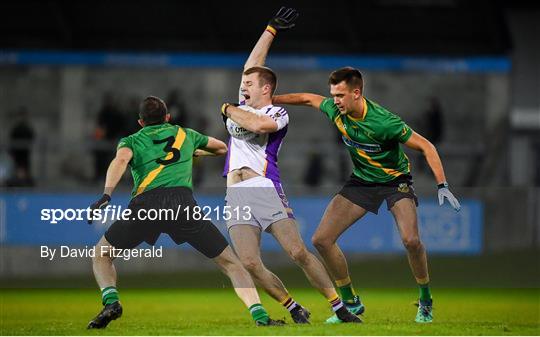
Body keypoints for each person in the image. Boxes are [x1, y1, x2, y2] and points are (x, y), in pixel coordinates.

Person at [273, 67, 461, 324]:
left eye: (340, 95)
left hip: (396, 181)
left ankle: (425, 300)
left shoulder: (385, 122)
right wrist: (270, 100)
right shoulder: (335, 111)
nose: (335, 100)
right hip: (361, 181)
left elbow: (426, 146)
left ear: (357, 93)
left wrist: (442, 185)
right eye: (333, 95)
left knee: (411, 240)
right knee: (321, 239)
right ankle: (351, 303)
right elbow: (308, 98)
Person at [87, 96, 283, 328]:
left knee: (102, 254)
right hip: (182, 204)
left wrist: (107, 194)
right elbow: (222, 148)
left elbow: (120, 160)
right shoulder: (185, 134)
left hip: (145, 205)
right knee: (232, 264)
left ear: (140, 122)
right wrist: (193, 152)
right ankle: (260, 316)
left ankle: (111, 301)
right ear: (168, 118)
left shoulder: (131, 140)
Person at [220, 8, 360, 324]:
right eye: (243, 84)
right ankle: (293, 307)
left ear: (265, 88)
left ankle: (339, 307)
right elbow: (251, 64)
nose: (243, 87)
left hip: (263, 187)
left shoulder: (277, 113)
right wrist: (270, 29)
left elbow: (261, 127)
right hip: (235, 192)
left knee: (297, 252)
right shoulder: (241, 107)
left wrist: (228, 109)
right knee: (250, 262)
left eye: (249, 84)